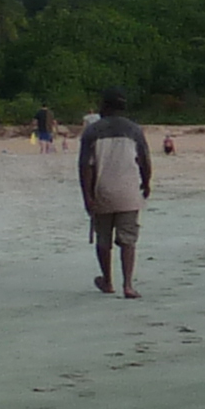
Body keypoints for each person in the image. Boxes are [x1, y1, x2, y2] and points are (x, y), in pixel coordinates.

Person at [76, 87, 151, 298]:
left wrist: (87, 196)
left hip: (102, 191)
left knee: (103, 239)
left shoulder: (92, 131)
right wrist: (146, 182)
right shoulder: (134, 130)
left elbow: (85, 167)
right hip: (129, 192)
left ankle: (108, 281)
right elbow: (144, 160)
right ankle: (128, 285)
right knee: (128, 239)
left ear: (105, 106)